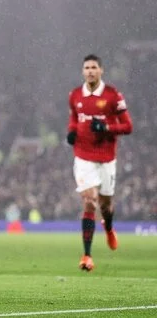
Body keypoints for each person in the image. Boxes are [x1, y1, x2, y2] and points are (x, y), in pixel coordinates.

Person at [67, 55, 133, 271]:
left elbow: (128, 126)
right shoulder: (75, 95)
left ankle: (109, 227)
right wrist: (71, 131)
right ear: (82, 71)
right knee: (89, 201)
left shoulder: (113, 95)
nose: (90, 71)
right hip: (83, 156)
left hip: (106, 158)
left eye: (94, 67)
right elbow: (74, 119)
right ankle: (87, 256)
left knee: (105, 206)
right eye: (86, 67)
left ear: (101, 70)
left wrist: (106, 128)